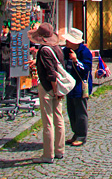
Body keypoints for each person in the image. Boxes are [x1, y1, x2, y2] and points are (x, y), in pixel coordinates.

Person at [28, 22, 66, 164]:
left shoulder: (44, 50)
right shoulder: (56, 48)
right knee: (59, 119)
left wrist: (55, 90)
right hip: (56, 88)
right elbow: (56, 66)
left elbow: (51, 73)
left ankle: (48, 154)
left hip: (48, 87)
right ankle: (59, 150)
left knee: (48, 122)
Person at [62, 28, 93, 147]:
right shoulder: (66, 50)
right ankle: (75, 133)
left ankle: (81, 135)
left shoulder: (85, 52)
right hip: (69, 86)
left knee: (80, 111)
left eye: (68, 41)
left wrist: (76, 60)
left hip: (80, 86)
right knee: (71, 111)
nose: (66, 42)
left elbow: (86, 70)